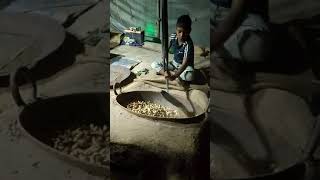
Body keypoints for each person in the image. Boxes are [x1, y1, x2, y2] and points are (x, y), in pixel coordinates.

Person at [151, 14, 194, 82]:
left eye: (185, 32)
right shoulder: (173, 36)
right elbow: (166, 48)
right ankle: (167, 73)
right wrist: (164, 54)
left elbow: (184, 64)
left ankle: (169, 73)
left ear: (189, 31)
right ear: (176, 29)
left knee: (190, 77)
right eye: (179, 31)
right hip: (174, 64)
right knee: (154, 64)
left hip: (185, 67)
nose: (181, 35)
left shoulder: (188, 44)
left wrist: (174, 76)